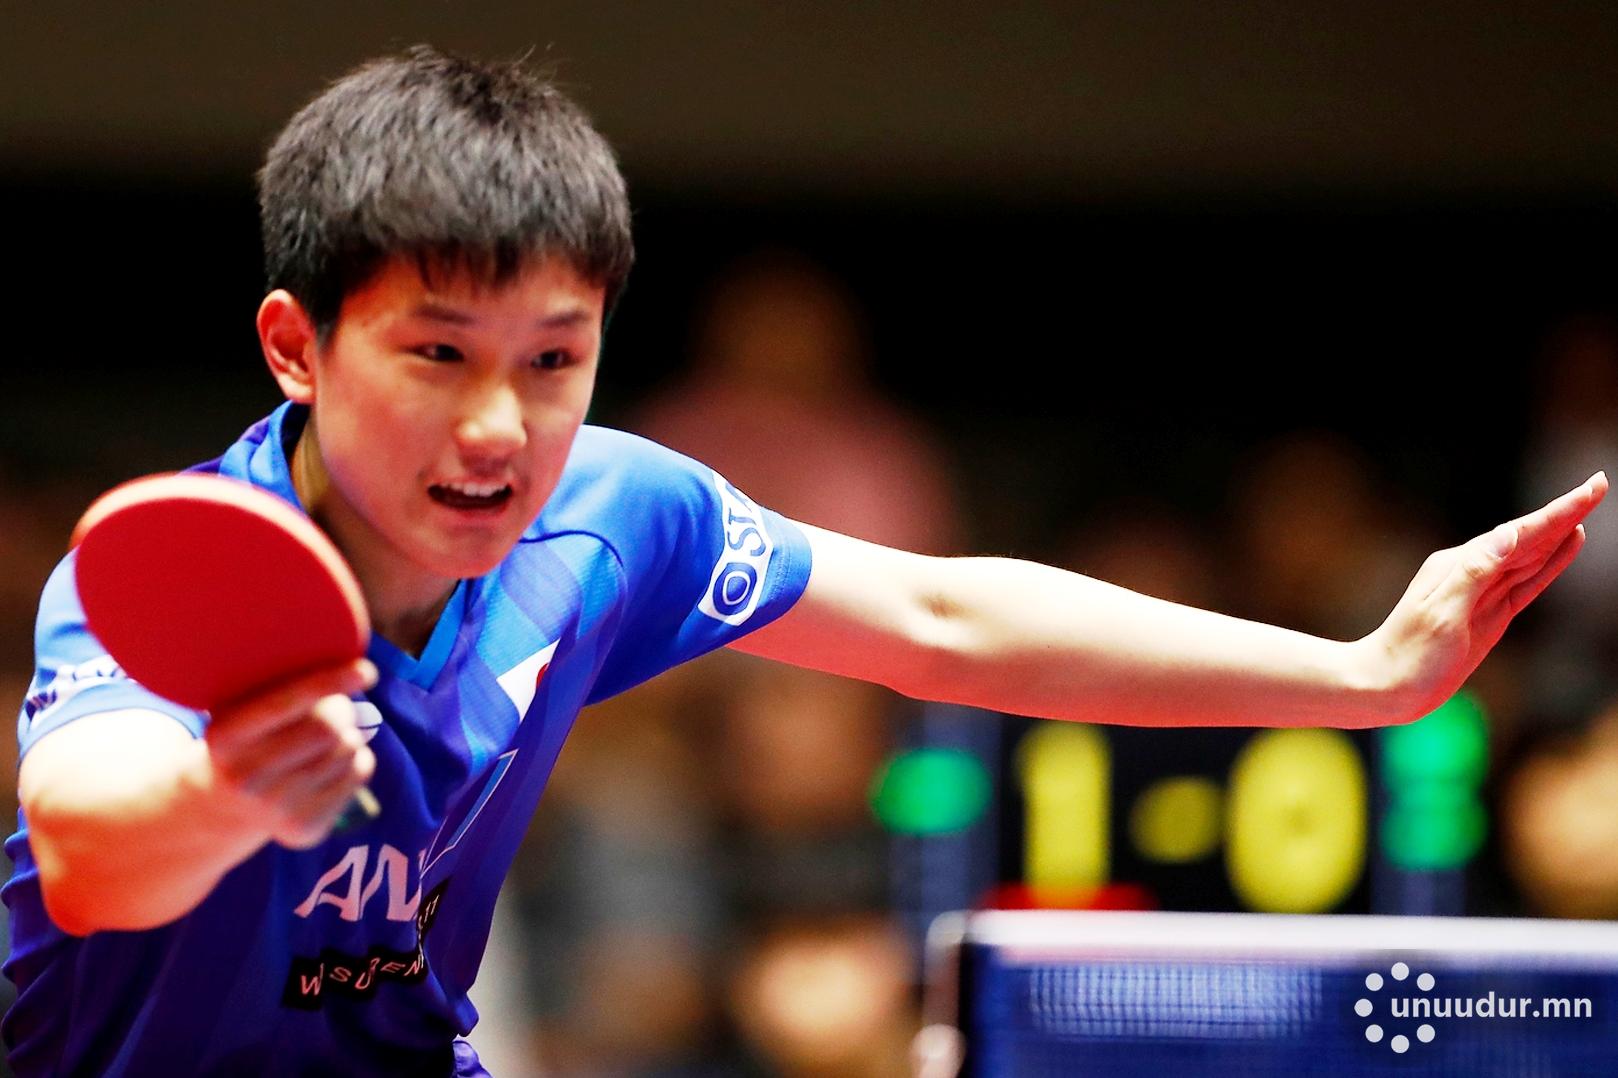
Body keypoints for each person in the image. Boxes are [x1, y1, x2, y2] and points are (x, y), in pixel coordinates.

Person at [2, 45, 1605, 1077]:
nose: (498, 423)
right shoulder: (185, 566)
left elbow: (939, 612)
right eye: (436, 352)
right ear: (296, 345)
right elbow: (85, 844)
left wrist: (1358, 676)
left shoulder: (612, 515)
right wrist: (223, 791)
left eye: (553, 359)